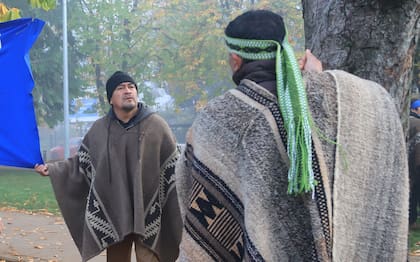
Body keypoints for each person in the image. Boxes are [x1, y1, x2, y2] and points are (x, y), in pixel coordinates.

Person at [175, 9, 409, 261]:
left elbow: (189, 178)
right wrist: (318, 78)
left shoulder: (218, 117)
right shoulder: (333, 96)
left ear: (235, 60)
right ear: (284, 49)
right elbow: (379, 104)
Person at [35, 71, 182, 262]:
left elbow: (175, 168)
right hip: (115, 215)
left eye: (131, 87)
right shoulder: (99, 130)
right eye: (121, 88)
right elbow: (81, 164)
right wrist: (53, 170)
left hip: (150, 215)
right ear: (110, 99)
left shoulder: (157, 126)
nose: (128, 91)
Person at [409, 99, 420, 228]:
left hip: (412, 162)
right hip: (415, 162)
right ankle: (411, 220)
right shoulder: (416, 122)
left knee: (414, 192)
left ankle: (411, 220)